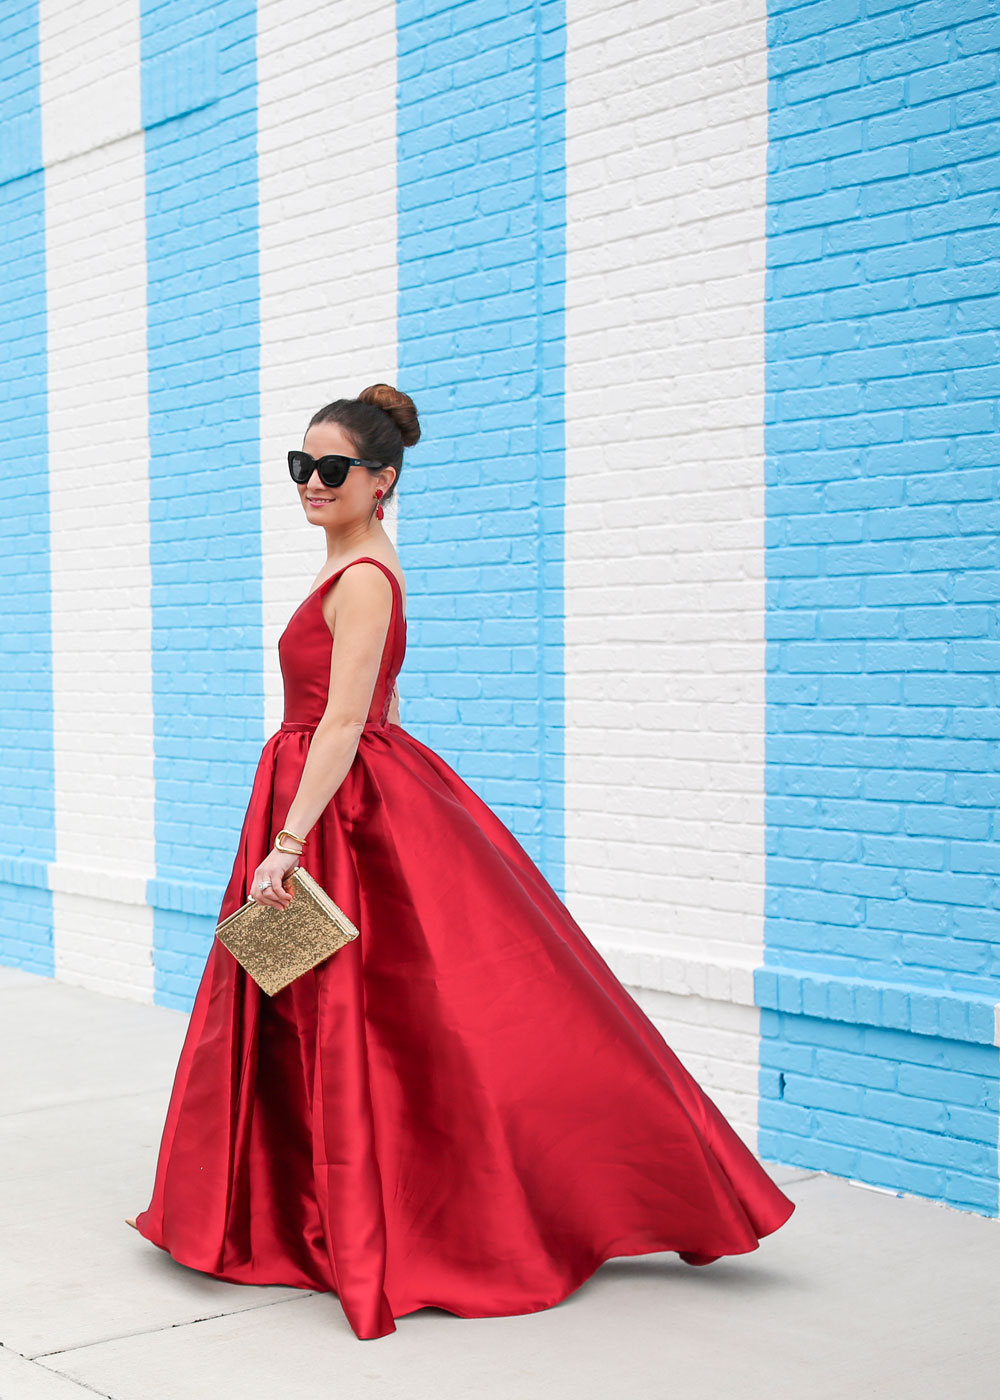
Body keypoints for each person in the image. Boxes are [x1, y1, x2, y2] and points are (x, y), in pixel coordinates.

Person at [128, 382, 795, 1341]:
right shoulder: (355, 562)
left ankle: (381, 1214)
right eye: (300, 466)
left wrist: (287, 844)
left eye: (334, 469)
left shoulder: (362, 576)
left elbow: (349, 719)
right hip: (334, 794)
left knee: (356, 1010)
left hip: (331, 809)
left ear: (382, 479)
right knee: (350, 1012)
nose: (312, 483)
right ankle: (316, 1206)